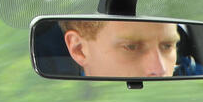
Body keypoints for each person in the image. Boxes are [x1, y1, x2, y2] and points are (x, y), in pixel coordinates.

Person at [60, 19, 189, 78]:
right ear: (79, 49)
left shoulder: (192, 72)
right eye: (131, 47)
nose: (160, 70)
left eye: (167, 46)